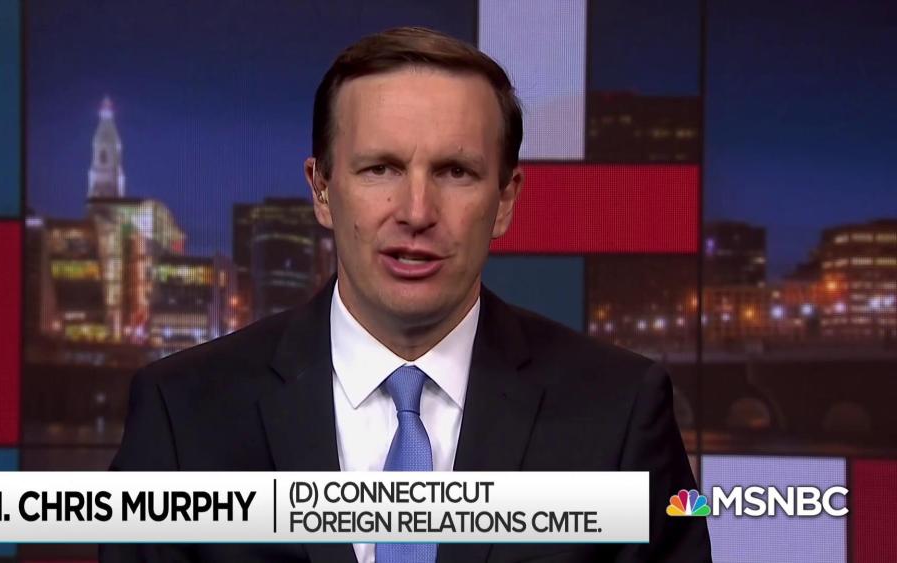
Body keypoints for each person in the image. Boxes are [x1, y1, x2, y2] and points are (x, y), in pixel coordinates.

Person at [101, 26, 711, 563]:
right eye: (381, 169)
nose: (417, 212)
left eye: (455, 172)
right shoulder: (182, 413)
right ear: (321, 189)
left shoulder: (622, 410)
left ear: (505, 200)